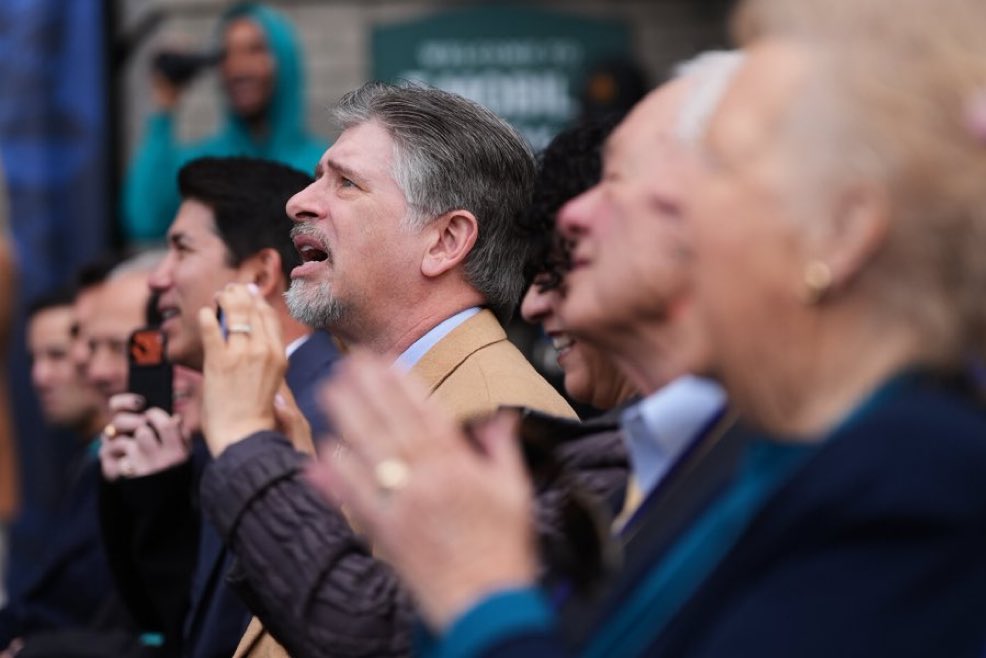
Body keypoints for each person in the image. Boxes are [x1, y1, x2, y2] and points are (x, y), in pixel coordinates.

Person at [312, 0, 986, 655]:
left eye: (714, 162)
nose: (667, 201)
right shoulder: (758, 442)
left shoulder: (912, 477)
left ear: (838, 232)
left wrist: (478, 591)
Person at [194, 82, 577, 657]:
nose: (299, 202)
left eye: (346, 182)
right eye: (318, 176)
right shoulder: (403, 406)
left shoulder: (504, 428)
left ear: (445, 241)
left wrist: (246, 448)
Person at [101, 157, 336, 658]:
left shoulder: (328, 414)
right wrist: (154, 493)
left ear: (260, 273)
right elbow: (192, 622)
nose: (158, 278)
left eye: (182, 249)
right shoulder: (235, 411)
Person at [122, 3, 326, 242]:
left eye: (254, 50)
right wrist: (164, 106)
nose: (238, 67)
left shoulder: (322, 166)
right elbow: (145, 222)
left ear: (285, 61)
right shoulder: (203, 166)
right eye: (226, 54)